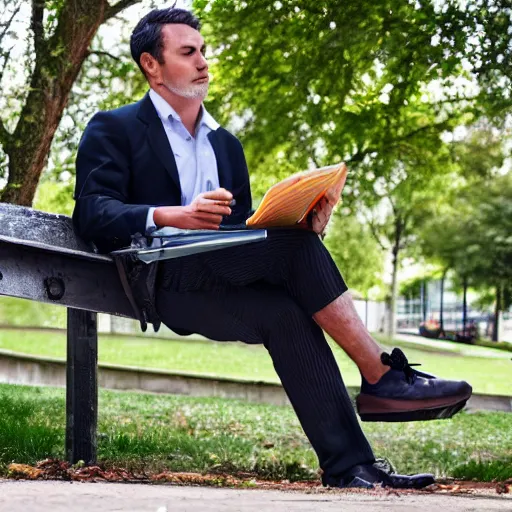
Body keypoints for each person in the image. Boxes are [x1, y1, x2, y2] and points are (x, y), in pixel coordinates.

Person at [73, 7, 472, 489]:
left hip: (220, 273)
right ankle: (380, 374)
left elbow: (243, 234)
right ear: (151, 66)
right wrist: (170, 214)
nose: (203, 62)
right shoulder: (114, 128)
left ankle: (351, 468)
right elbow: (91, 214)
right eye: (187, 52)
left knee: (287, 312)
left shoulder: (226, 145)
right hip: (162, 278)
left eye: (203, 51)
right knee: (294, 251)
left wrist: (303, 225)